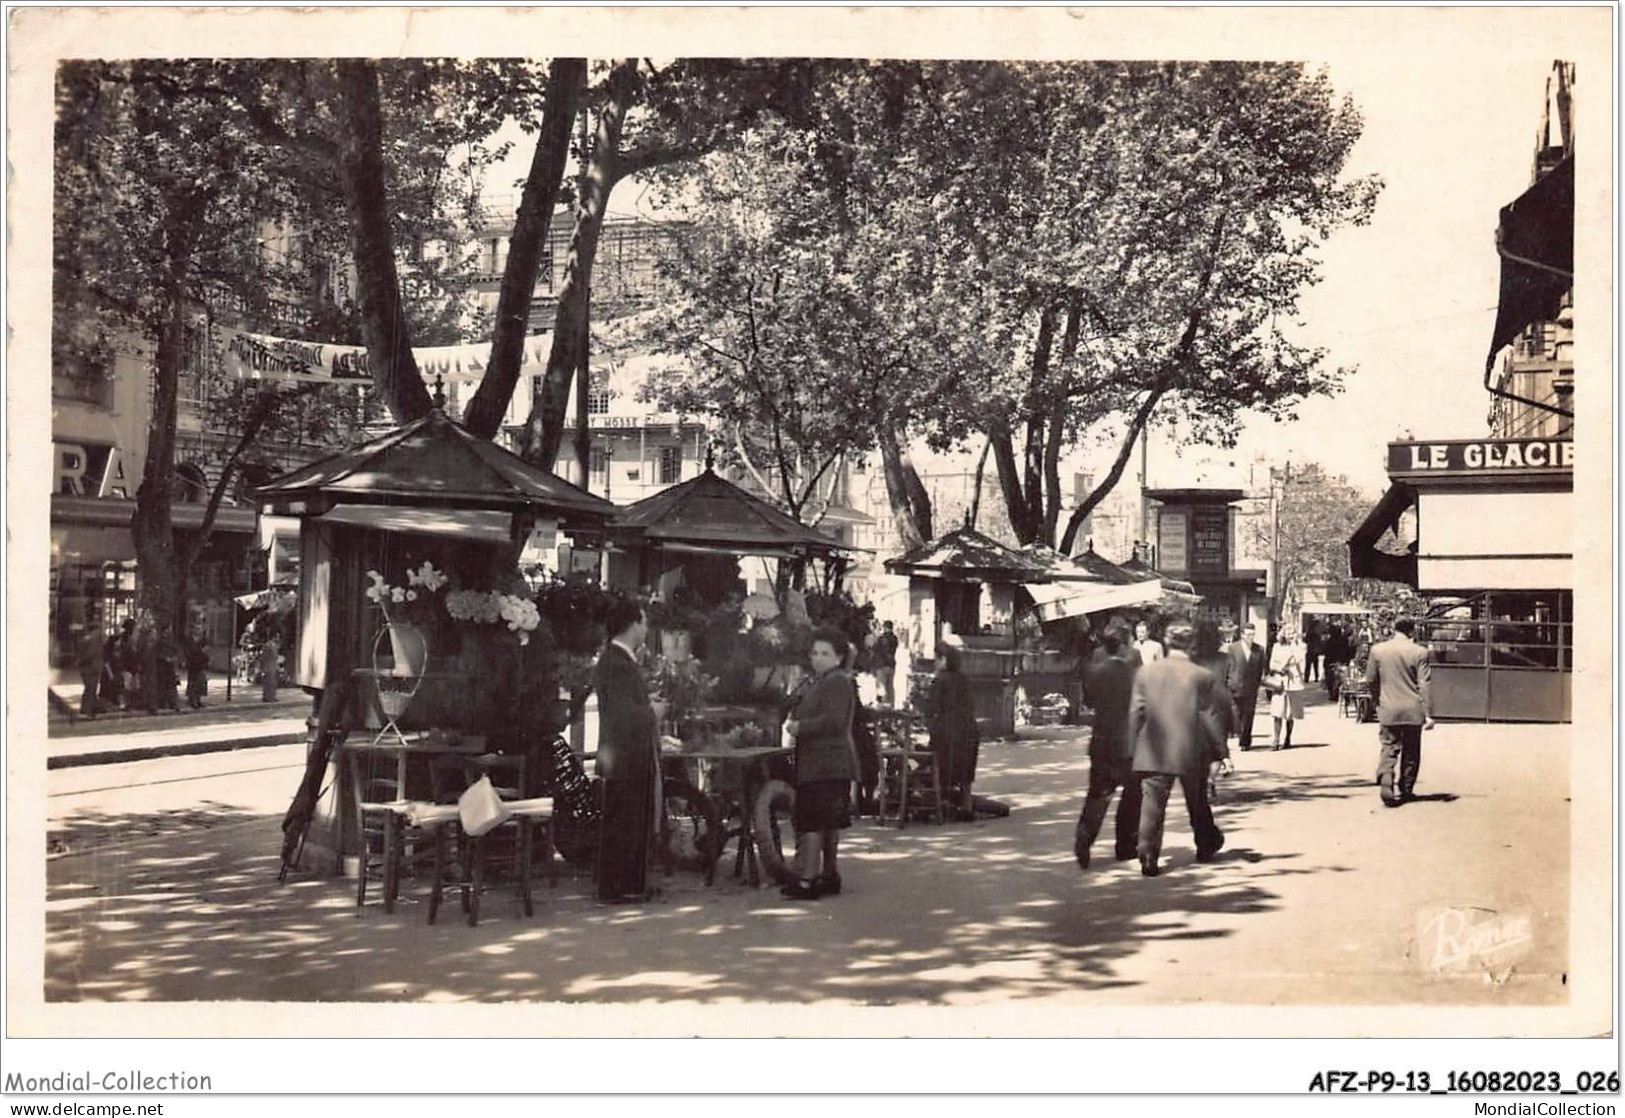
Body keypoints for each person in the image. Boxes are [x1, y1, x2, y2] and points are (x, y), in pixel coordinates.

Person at [1127, 622, 1229, 877]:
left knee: (1152, 804)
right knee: (1197, 802)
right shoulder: (1201, 676)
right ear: (1191, 645)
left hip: (1153, 750)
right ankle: (1206, 846)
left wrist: (1129, 749)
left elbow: (1135, 714)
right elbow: (1209, 717)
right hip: (1190, 751)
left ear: (1167, 642)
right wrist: (1223, 753)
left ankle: (1147, 855)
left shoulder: (1145, 674)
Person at [782, 627, 857, 900]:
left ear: (838, 656)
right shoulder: (825, 680)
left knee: (812, 820)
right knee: (828, 821)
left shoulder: (836, 682)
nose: (817, 658)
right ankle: (829, 875)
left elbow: (833, 721)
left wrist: (800, 726)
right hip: (828, 762)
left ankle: (808, 880)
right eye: (814, 653)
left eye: (825, 653)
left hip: (824, 762)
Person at [593, 600, 659, 903]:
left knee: (631, 818)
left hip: (625, 754)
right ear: (633, 624)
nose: (646, 628)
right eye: (644, 622)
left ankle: (630, 883)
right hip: (625, 755)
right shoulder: (616, 662)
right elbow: (623, 714)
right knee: (624, 820)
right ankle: (616, 887)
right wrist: (653, 711)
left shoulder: (619, 660)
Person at [1073, 622, 1141, 869]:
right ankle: (1125, 845)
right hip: (1129, 744)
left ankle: (1085, 834)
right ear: (1123, 646)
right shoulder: (1136, 675)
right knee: (1132, 796)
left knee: (1098, 793)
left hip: (1101, 741)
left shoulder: (1095, 672)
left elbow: (1090, 701)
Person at [1364, 618, 1435, 807]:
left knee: (1389, 745)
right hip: (1413, 709)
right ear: (1411, 631)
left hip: (1388, 707)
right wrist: (1428, 713)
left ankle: (1386, 774)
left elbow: (1370, 679)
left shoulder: (1378, 650)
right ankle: (1406, 788)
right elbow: (1424, 684)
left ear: (1394, 630)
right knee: (1411, 750)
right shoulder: (1420, 652)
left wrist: (1377, 700)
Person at [926, 644, 980, 818]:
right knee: (965, 771)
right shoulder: (964, 679)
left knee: (938, 763)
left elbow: (932, 707)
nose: (935, 662)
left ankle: (942, 802)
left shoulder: (940, 679)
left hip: (947, 731)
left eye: (936, 659)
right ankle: (966, 805)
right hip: (968, 729)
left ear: (943, 660)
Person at [1225, 623, 1266, 750]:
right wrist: (1226, 682)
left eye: (1252, 634)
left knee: (1248, 715)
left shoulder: (1259, 649)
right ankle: (1238, 732)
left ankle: (1245, 741)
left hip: (1251, 687)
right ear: (1242, 635)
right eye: (1248, 634)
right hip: (1234, 686)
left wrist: (1257, 684)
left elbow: (1260, 669)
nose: (1250, 637)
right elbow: (1227, 667)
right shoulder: (1233, 648)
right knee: (1236, 714)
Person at [1266, 627, 1307, 750]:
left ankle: (1288, 738)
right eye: (1288, 633)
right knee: (1277, 712)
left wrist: (1294, 645)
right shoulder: (1277, 646)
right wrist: (1280, 668)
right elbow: (1272, 664)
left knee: (1290, 713)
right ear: (1283, 634)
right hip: (1280, 681)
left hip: (1294, 682)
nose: (1290, 635)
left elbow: (1300, 659)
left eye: (1293, 633)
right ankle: (1276, 739)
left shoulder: (1301, 646)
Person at [76, 610, 104, 719]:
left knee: (90, 688)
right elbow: (91, 653)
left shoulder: (87, 637)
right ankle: (88, 710)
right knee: (91, 688)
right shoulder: (94, 638)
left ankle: (88, 709)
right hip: (92, 666)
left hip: (89, 666)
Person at [873, 620, 900, 707]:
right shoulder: (895, 638)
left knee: (882, 687)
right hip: (891, 665)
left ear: (884, 627)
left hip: (882, 665)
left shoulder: (882, 638)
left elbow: (877, 650)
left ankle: (882, 707)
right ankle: (891, 705)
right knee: (890, 686)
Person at [183, 625, 210, 709]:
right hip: (192, 664)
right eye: (198, 630)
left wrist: (206, 657)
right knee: (192, 683)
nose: (200, 632)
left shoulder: (203, 640)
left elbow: (207, 651)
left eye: (201, 630)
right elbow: (188, 652)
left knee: (201, 683)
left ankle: (198, 700)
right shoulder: (189, 640)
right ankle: (192, 700)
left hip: (201, 663)